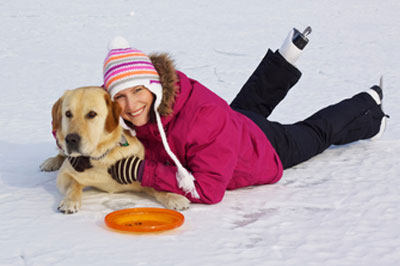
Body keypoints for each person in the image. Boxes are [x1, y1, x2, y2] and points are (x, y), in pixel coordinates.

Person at [103, 27, 388, 204]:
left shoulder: (202, 120)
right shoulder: (157, 103)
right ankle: (284, 58)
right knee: (244, 110)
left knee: (315, 133)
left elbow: (209, 189)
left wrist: (145, 172)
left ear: (153, 85)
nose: (130, 105)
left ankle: (368, 106)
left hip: (263, 147)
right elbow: (77, 116)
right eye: (120, 96)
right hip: (232, 126)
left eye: (138, 90)